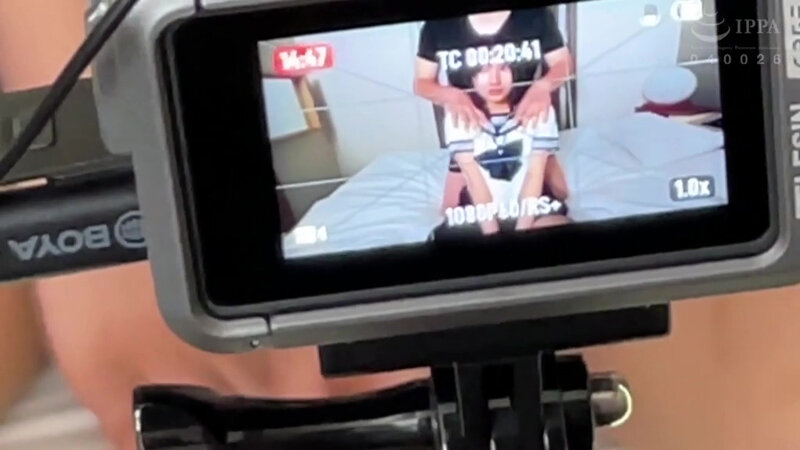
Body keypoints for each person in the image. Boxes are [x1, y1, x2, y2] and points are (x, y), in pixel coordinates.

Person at [6, 3, 800, 450]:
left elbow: (553, 71)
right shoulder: (442, 49)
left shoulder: (535, 33)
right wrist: (465, 110)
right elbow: (432, 87)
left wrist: (531, 108)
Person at [414, 8, 573, 214]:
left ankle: (542, 155)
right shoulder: (437, 25)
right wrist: (451, 95)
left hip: (527, 126)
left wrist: (543, 86)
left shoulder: (536, 15)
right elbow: (421, 83)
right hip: (471, 132)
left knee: (560, 192)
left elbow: (564, 63)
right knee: (451, 208)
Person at [443, 62, 569, 234]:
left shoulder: (539, 108)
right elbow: (473, 181)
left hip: (533, 209)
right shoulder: (458, 115)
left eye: (503, 68)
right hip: (479, 214)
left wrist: (522, 233)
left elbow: (535, 174)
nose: (494, 80)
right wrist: (493, 237)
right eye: (484, 70)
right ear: (470, 75)